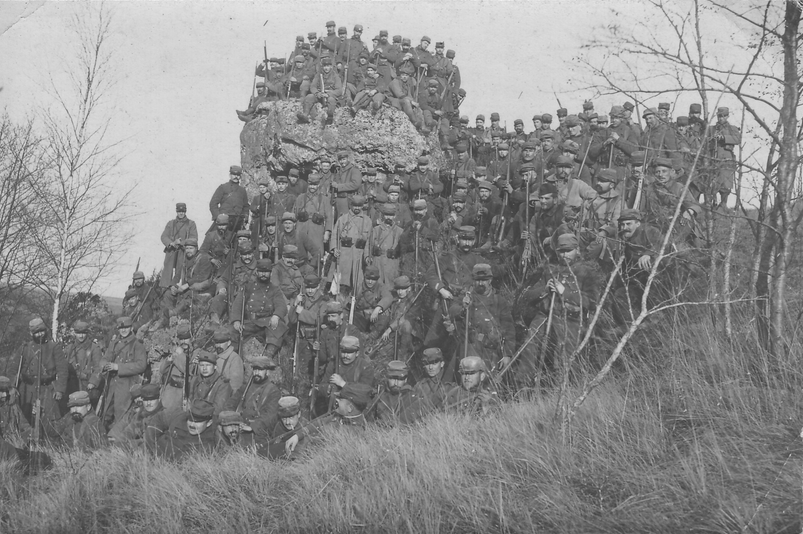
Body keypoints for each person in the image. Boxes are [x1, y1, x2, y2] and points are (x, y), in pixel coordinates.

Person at [514, 234, 603, 385]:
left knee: (563, 358)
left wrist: (564, 292)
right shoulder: (549, 269)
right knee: (529, 347)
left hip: (571, 319)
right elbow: (528, 295)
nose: (564, 255)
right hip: (545, 317)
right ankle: (522, 385)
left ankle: (560, 389)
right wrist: (544, 289)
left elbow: (592, 302)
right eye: (561, 251)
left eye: (568, 250)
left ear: (577, 250)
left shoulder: (588, 271)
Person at [444, 263, 515, 371]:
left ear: (490, 280)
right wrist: (463, 308)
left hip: (491, 352)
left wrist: (507, 354)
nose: (480, 283)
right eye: (477, 280)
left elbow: (509, 329)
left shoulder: (500, 302)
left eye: (484, 280)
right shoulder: (466, 296)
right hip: (468, 349)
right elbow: (452, 311)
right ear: (473, 280)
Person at [15, 317, 69, 438]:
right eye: (36, 332)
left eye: (42, 331)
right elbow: (14, 369)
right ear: (31, 333)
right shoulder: (25, 348)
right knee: (27, 416)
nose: (40, 335)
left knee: (49, 417)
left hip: (47, 388)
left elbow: (62, 370)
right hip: (27, 389)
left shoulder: (54, 347)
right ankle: (27, 442)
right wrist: (12, 388)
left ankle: (47, 442)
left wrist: (60, 389)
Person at [90, 317, 147, 428]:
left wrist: (118, 367)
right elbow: (104, 358)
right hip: (111, 385)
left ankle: (119, 442)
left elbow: (141, 365)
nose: (123, 330)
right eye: (121, 328)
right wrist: (105, 365)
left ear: (131, 328)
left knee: (122, 415)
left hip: (127, 385)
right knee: (105, 413)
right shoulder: (114, 343)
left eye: (126, 328)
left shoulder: (137, 345)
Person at [230, 259, 288, 360]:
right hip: (250, 322)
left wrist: (276, 316)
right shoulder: (248, 287)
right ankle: (234, 358)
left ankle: (267, 356)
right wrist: (236, 320)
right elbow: (238, 304)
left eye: (266, 272)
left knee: (278, 327)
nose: (263, 274)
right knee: (230, 331)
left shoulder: (275, 289)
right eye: (261, 272)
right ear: (257, 272)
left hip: (266, 323)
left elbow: (281, 305)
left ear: (270, 273)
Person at [227, 355, 281, 444]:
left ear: (267, 371)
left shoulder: (273, 391)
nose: (256, 373)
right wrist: (230, 421)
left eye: (260, 370)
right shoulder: (245, 387)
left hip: (259, 432)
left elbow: (270, 415)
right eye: (255, 370)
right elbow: (231, 403)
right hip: (239, 426)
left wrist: (253, 426)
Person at [314, 335, 374, 417]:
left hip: (356, 410)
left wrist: (343, 384)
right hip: (333, 407)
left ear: (357, 353)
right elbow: (322, 385)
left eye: (349, 353)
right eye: (343, 352)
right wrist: (329, 389)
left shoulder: (365, 367)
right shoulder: (334, 364)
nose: (345, 356)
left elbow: (365, 391)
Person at [331, 194, 372, 294]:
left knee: (358, 283)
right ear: (350, 205)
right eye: (355, 205)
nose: (357, 208)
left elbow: (369, 242)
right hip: (344, 254)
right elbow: (334, 235)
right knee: (342, 283)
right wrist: (334, 248)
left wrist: (367, 256)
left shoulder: (367, 221)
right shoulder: (343, 219)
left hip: (359, 255)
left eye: (359, 206)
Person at [153, 399, 218, 461]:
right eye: (190, 419)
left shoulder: (210, 442)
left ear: (209, 423)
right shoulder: (178, 419)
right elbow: (158, 419)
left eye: (198, 422)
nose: (192, 425)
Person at [160, 202, 198, 287]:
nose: (181, 213)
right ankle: (165, 290)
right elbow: (163, 236)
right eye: (179, 211)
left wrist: (181, 242)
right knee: (167, 274)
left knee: (182, 273)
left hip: (184, 251)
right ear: (176, 212)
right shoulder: (171, 223)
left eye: (183, 211)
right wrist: (172, 243)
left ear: (185, 212)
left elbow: (194, 238)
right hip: (172, 251)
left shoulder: (191, 224)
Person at [710, 107, 741, 208]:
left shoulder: (732, 129)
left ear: (727, 116)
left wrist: (723, 138)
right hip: (713, 159)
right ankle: (713, 205)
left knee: (726, 185)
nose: (721, 118)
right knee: (713, 184)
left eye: (724, 116)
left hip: (727, 161)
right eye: (720, 116)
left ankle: (724, 205)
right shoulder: (712, 129)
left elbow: (737, 139)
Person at [409, 348, 452, 419]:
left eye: (434, 363)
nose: (430, 367)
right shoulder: (420, 385)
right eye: (427, 364)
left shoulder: (449, 382)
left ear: (442, 364)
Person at [63, 320, 103, 397]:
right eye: (78, 333)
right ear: (75, 333)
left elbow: (99, 368)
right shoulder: (69, 348)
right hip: (71, 385)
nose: (81, 336)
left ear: (87, 333)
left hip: (87, 385)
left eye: (83, 333)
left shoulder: (94, 348)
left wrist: (93, 382)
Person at [298, 56, 343, 124]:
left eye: (328, 66)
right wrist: (317, 93)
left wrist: (328, 94)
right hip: (320, 95)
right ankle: (305, 114)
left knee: (331, 100)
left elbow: (339, 90)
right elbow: (313, 86)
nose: (326, 68)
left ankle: (330, 117)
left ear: (331, 66)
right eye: (324, 66)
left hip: (330, 95)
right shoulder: (318, 75)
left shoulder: (335, 76)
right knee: (309, 97)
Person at [187, 350, 232, 415]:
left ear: (215, 367)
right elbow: (190, 401)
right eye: (202, 365)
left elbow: (218, 410)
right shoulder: (195, 380)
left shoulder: (223, 384)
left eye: (208, 365)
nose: (204, 368)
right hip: (194, 417)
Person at [371, 360, 414, 427]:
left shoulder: (411, 397)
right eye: (392, 378)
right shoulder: (379, 396)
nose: (396, 383)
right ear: (387, 378)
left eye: (400, 379)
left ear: (405, 379)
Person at [209, 165, 249, 232]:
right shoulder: (223, 187)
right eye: (234, 174)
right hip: (224, 221)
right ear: (230, 175)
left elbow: (246, 206)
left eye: (238, 175)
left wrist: (245, 217)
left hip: (237, 222)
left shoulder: (242, 191)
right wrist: (218, 217)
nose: (236, 177)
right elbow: (213, 203)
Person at [0, 376, 32, 445]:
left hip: (12, 443)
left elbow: (24, 426)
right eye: (1, 392)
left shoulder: (13, 407)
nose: (4, 395)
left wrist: (31, 436)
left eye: (6, 392)